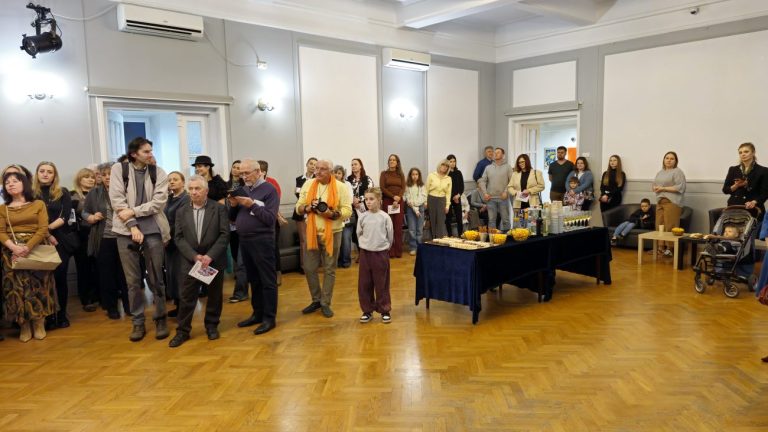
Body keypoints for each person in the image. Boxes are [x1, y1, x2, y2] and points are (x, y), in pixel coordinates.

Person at [110, 137, 171, 342]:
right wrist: (132, 225)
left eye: (151, 150)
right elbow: (117, 201)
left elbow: (158, 203)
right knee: (133, 282)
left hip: (153, 230)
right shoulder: (119, 169)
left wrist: (134, 211)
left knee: (156, 279)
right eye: (146, 151)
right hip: (125, 232)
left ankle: (160, 318)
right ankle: (138, 322)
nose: (151, 154)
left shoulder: (158, 172)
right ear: (134, 154)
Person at [168, 176, 229, 347]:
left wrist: (210, 256)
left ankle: (211, 326)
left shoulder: (219, 209)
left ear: (206, 191)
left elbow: (225, 235)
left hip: (213, 261)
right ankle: (182, 331)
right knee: (186, 297)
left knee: (214, 296)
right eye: (191, 189)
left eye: (197, 188)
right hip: (190, 261)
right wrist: (194, 256)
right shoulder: (181, 211)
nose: (194, 192)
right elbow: (178, 237)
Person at [0, 171, 55, 342]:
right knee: (16, 289)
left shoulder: (38, 204)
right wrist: (14, 248)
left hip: (36, 248)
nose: (10, 184)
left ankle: (39, 323)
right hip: (11, 251)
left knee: (38, 286)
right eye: (7, 182)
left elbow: (43, 228)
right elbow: (1, 231)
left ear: (24, 184)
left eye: (15, 181)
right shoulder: (2, 208)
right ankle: (23, 325)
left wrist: (27, 247)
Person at [296, 159, 352, 318]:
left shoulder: (341, 187)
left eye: (322, 169)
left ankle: (325, 303)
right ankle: (316, 299)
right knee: (309, 268)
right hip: (312, 233)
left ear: (331, 172)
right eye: (316, 168)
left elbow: (348, 210)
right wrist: (308, 207)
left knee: (329, 269)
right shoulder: (308, 184)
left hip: (333, 233)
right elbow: (298, 208)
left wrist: (331, 214)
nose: (318, 171)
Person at [230, 159, 280, 335]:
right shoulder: (244, 189)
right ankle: (257, 314)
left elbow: (269, 219)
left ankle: (269, 318)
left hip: (262, 240)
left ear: (258, 172)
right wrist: (234, 205)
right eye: (241, 174)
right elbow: (232, 218)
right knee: (254, 280)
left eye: (247, 173)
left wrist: (251, 204)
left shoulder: (269, 190)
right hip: (244, 240)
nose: (243, 177)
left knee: (267, 280)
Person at [83, 163, 129, 320]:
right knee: (106, 275)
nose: (107, 177)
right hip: (104, 239)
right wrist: (91, 217)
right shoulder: (94, 193)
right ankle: (111, 307)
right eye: (104, 175)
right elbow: (84, 212)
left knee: (126, 274)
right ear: (100, 177)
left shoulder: (126, 191)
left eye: (110, 174)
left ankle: (130, 306)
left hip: (124, 237)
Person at [34, 161, 76, 329]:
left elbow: (64, 216)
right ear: (37, 174)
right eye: (42, 171)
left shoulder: (62, 192)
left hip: (60, 241)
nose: (45, 174)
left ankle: (62, 314)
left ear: (54, 175)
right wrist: (46, 234)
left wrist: (47, 230)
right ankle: (49, 316)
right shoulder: (31, 194)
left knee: (60, 278)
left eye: (49, 172)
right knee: (44, 280)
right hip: (38, 241)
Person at [356, 187, 394, 324]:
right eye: (366, 199)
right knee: (364, 283)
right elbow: (359, 233)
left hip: (380, 254)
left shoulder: (385, 217)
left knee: (381, 283)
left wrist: (383, 248)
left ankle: (384, 309)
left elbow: (390, 237)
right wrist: (365, 245)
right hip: (365, 254)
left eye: (371, 199)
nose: (368, 202)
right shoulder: (363, 217)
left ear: (379, 200)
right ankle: (367, 310)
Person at [70, 167, 99, 313]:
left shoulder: (100, 194)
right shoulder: (72, 196)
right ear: (79, 179)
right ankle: (86, 299)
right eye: (86, 177)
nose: (90, 179)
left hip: (98, 234)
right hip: (81, 235)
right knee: (84, 268)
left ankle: (99, 296)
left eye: (92, 177)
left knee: (98, 266)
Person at [652, 151, 687, 257]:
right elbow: (655, 184)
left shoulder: (677, 172)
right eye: (667, 158)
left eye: (672, 159)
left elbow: (680, 187)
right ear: (663, 160)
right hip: (660, 201)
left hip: (672, 202)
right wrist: (654, 187)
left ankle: (670, 249)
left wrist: (663, 188)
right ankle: (660, 248)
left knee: (670, 226)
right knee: (659, 225)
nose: (669, 160)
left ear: (675, 161)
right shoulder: (660, 172)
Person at [722, 142, 768, 219]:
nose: (743, 154)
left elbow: (765, 193)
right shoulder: (733, 169)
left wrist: (754, 202)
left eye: (746, 151)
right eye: (740, 152)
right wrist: (736, 185)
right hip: (734, 208)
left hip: (753, 209)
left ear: (753, 153)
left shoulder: (763, 171)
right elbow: (725, 190)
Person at [164, 171, 188, 314]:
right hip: (169, 242)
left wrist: (167, 236)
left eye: (175, 179)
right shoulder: (169, 198)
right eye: (169, 180)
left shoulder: (186, 198)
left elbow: (181, 222)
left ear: (183, 182)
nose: (172, 182)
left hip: (180, 241)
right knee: (172, 274)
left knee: (181, 275)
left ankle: (184, 308)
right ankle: (178, 305)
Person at [258, 160, 285, 285]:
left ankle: (278, 273)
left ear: (263, 172)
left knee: (273, 247)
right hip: (258, 221)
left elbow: (274, 203)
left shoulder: (272, 183)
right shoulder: (251, 185)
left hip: (271, 220)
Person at [226, 160, 249, 303]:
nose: (236, 170)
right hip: (229, 226)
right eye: (234, 167)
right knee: (236, 258)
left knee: (241, 262)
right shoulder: (225, 185)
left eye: (239, 168)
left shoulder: (245, 186)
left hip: (242, 226)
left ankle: (241, 292)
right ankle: (243, 286)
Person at [477, 147, 514, 231]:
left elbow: (512, 181)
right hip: (490, 199)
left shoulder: (507, 167)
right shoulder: (488, 168)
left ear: (503, 155)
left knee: (505, 220)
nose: (495, 154)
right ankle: (492, 238)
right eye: (495, 152)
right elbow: (482, 181)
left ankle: (507, 237)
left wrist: (506, 191)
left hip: (503, 198)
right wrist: (485, 193)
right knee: (491, 221)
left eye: (498, 152)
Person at [292, 157, 317, 272]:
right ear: (307, 164)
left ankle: (314, 265)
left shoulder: (317, 179)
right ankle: (303, 266)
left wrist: (306, 196)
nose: (313, 166)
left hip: (314, 213)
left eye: (315, 165)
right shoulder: (299, 179)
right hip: (301, 213)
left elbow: (316, 196)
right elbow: (298, 194)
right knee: (304, 241)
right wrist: (308, 198)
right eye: (311, 163)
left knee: (314, 240)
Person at [347, 158, 374, 260]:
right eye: (352, 165)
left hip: (365, 209)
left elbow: (370, 192)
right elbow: (345, 192)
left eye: (355, 164)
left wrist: (360, 200)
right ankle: (360, 254)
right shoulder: (348, 180)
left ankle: (368, 253)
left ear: (360, 166)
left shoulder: (367, 179)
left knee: (366, 230)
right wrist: (353, 200)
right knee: (356, 232)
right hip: (352, 210)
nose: (353, 166)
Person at [380, 154, 406, 258]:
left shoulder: (401, 175)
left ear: (397, 162)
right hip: (388, 201)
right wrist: (393, 197)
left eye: (394, 160)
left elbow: (403, 188)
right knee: (389, 227)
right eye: (390, 160)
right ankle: (390, 250)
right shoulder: (384, 174)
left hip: (399, 202)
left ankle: (398, 251)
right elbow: (382, 188)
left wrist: (398, 197)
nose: (392, 161)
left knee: (398, 227)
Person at [333, 165, 354, 268]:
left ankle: (346, 261)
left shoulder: (347, 184)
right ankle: (337, 261)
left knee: (346, 239)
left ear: (343, 175)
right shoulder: (330, 184)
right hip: (334, 216)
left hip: (345, 215)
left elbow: (350, 199)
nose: (337, 175)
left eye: (339, 173)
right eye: (335, 173)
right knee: (337, 241)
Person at [425, 160, 452, 239]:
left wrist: (447, 206)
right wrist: (425, 202)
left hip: (442, 200)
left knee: (441, 221)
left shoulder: (448, 178)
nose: (444, 167)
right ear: (440, 165)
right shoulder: (431, 175)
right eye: (443, 165)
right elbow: (426, 190)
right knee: (432, 221)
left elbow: (448, 193)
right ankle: (433, 239)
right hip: (431, 199)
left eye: (447, 166)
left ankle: (440, 240)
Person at [403, 167, 426, 255]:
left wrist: (415, 204)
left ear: (419, 176)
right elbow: (407, 197)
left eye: (416, 174)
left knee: (419, 229)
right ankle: (413, 247)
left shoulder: (422, 185)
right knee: (412, 229)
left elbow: (423, 197)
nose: (415, 176)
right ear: (410, 176)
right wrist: (412, 205)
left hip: (420, 208)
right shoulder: (407, 186)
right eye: (413, 174)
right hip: (410, 209)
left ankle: (419, 247)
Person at [445, 154, 465, 237]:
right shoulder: (446, 174)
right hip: (448, 199)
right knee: (448, 218)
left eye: (454, 161)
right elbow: (446, 187)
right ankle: (450, 235)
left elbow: (462, 186)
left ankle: (460, 235)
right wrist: (452, 197)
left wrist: (458, 195)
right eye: (451, 161)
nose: (453, 163)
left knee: (459, 217)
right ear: (447, 162)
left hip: (457, 197)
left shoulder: (458, 173)